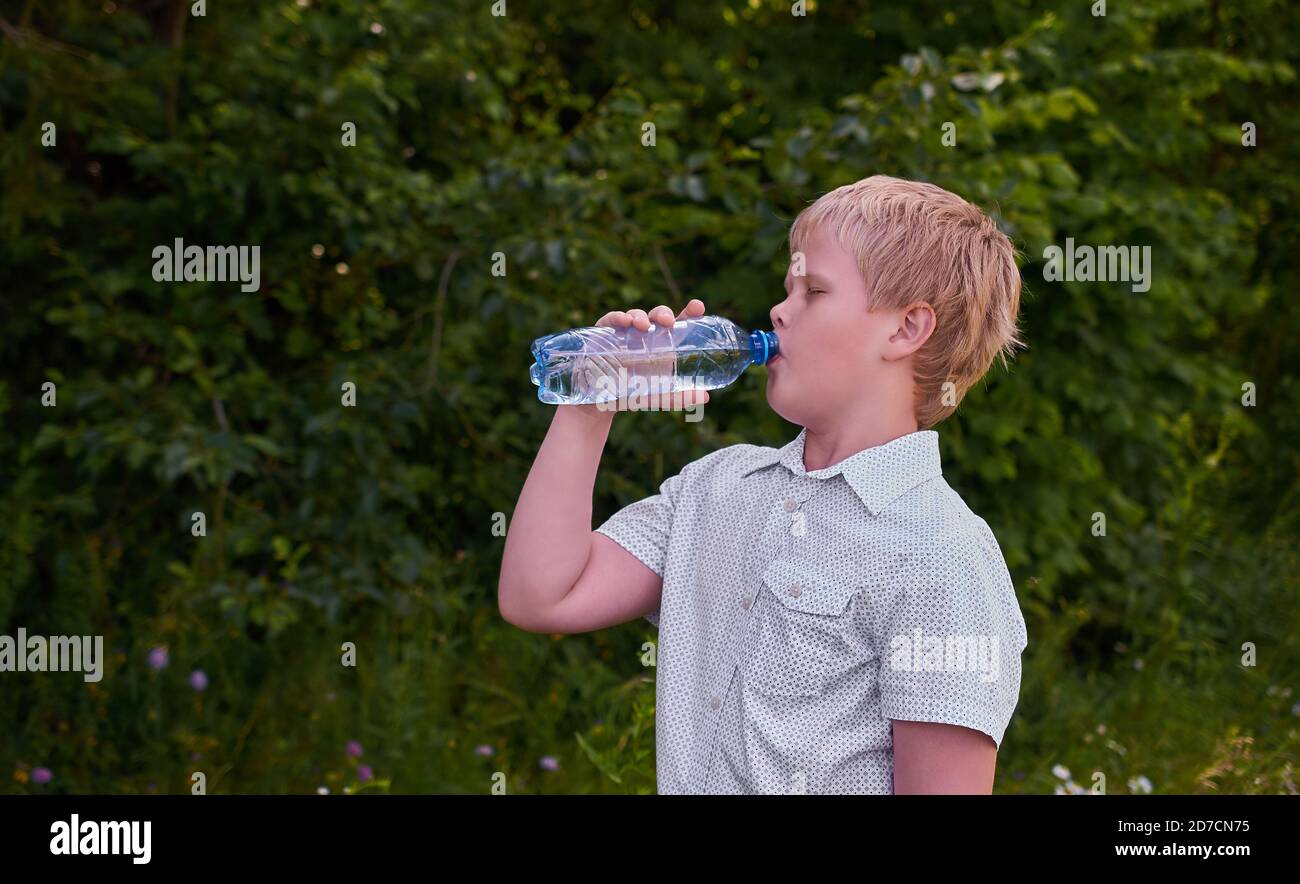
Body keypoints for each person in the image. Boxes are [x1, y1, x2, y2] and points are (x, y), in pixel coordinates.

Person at [498, 175, 1029, 794]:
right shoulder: (718, 488)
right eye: (787, 288)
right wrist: (590, 404)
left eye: (815, 291)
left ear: (906, 329)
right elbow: (541, 597)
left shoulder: (943, 560)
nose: (779, 310)